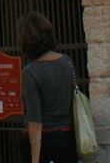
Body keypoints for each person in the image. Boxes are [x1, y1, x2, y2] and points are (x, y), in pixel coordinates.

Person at [17, 11, 78, 163]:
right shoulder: (67, 61)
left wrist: (35, 159)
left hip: (46, 143)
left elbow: (35, 120)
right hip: (69, 140)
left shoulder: (31, 72)